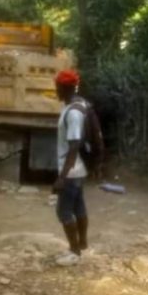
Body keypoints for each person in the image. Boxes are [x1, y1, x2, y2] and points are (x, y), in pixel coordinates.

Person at [53, 69, 90, 266]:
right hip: (78, 169)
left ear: (65, 87)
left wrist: (62, 177)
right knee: (79, 207)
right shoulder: (79, 105)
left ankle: (74, 251)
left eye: (58, 86)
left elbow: (74, 144)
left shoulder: (74, 112)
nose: (56, 90)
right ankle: (82, 245)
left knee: (64, 212)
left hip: (72, 170)